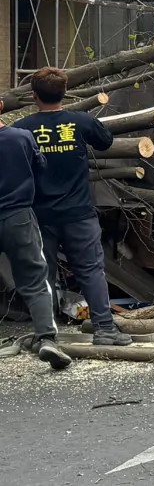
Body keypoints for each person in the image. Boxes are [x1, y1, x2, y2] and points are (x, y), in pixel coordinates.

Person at [13, 67, 131, 347]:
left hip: (40, 216)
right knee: (91, 269)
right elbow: (106, 141)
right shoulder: (80, 122)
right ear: (65, 94)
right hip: (79, 213)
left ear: (33, 96)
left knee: (43, 275)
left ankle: (47, 336)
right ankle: (104, 329)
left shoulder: (23, 129)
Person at [0, 98, 71, 369]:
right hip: (18, 215)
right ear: (2, 106)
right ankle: (47, 340)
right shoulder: (21, 138)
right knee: (35, 278)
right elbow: (40, 167)